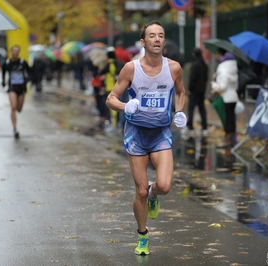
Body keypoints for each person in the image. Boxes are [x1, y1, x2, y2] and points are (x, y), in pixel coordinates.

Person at [106, 21, 186, 255]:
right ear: (143, 42)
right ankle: (142, 235)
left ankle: (154, 194)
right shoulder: (131, 69)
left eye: (160, 35)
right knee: (139, 190)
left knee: (164, 185)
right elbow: (111, 98)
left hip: (161, 133)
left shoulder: (173, 68)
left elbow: (181, 92)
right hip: (136, 134)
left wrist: (179, 112)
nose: (157, 39)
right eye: (152, 36)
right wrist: (124, 107)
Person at [211, 48, 239, 148]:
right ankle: (231, 140)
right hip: (233, 97)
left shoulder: (223, 70)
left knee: (227, 120)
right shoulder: (233, 69)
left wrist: (214, 85)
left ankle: (228, 141)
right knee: (231, 119)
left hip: (226, 98)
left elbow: (223, 86)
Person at [1, 45, 31, 139]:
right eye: (13, 51)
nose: (15, 53)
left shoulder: (23, 62)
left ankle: (15, 126)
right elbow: (3, 72)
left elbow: (30, 73)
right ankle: (15, 129)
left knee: (19, 109)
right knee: (13, 107)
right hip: (12, 88)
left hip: (21, 88)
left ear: (19, 52)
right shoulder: (7, 62)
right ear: (11, 51)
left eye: (16, 51)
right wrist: (3, 82)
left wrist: (27, 80)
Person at [186, 47, 209, 135]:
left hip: (194, 90)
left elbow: (192, 78)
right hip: (202, 90)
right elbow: (206, 77)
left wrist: (189, 89)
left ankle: (190, 126)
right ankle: (204, 127)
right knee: (202, 108)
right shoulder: (204, 64)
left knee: (191, 108)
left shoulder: (194, 64)